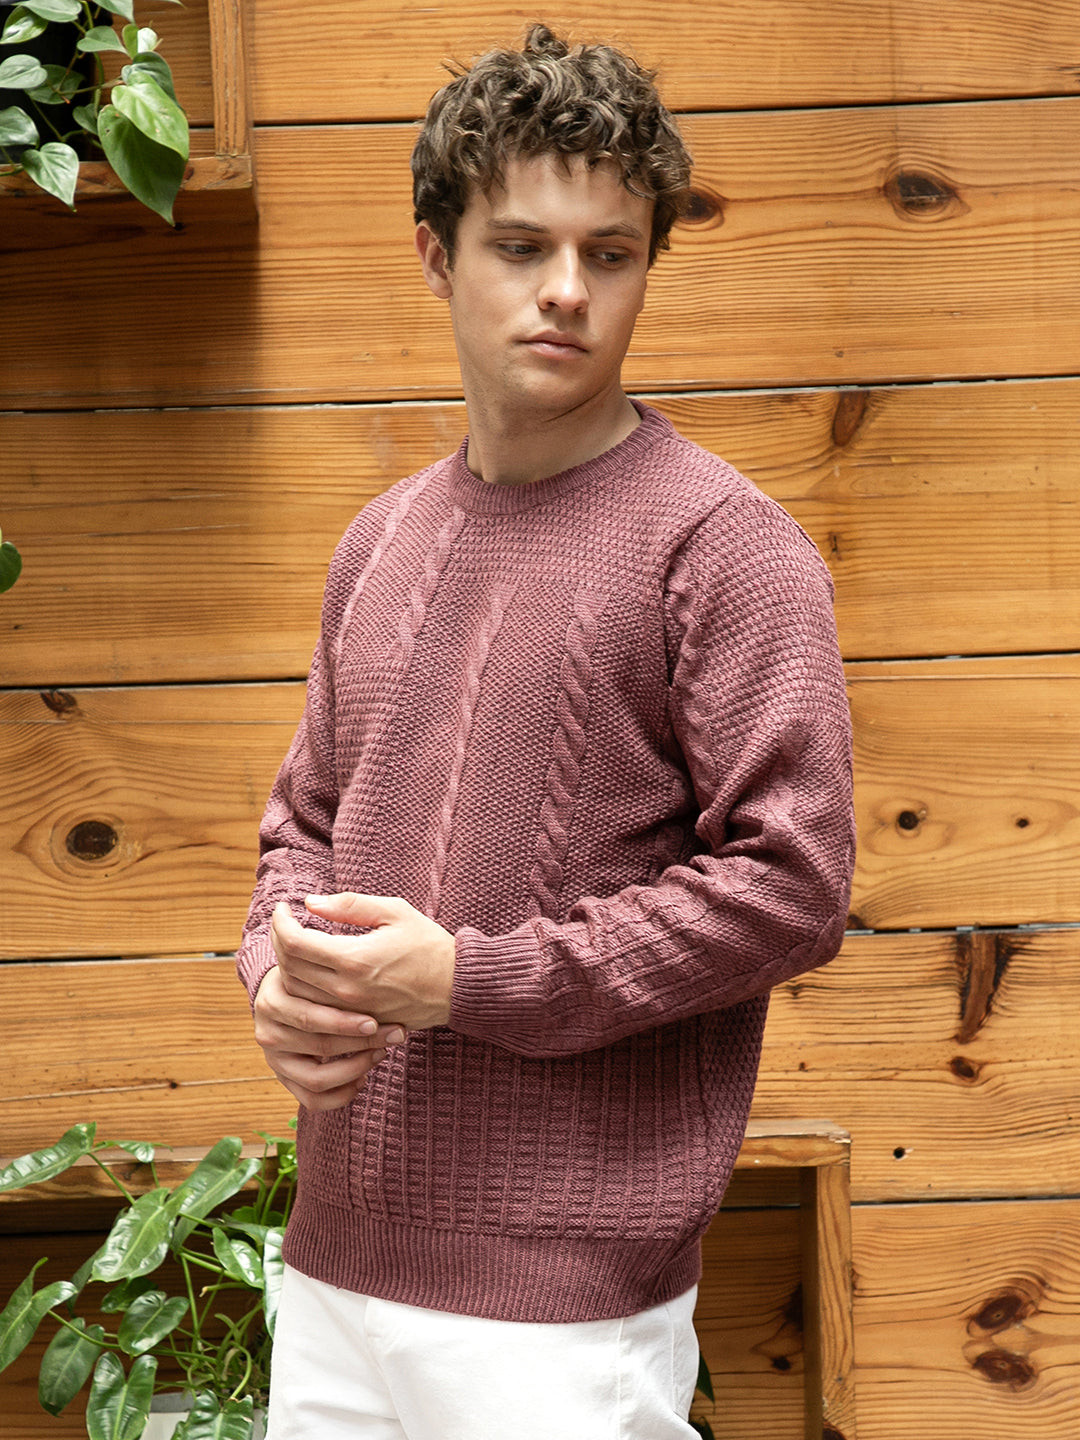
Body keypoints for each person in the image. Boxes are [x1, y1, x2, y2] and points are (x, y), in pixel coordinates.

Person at [236, 22, 855, 1440]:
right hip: (332, 1273)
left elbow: (793, 884)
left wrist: (471, 979)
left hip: (561, 1316)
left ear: (646, 266)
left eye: (610, 254)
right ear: (437, 255)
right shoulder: (380, 541)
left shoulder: (724, 547)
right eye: (521, 247)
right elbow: (303, 831)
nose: (567, 290)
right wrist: (277, 974)